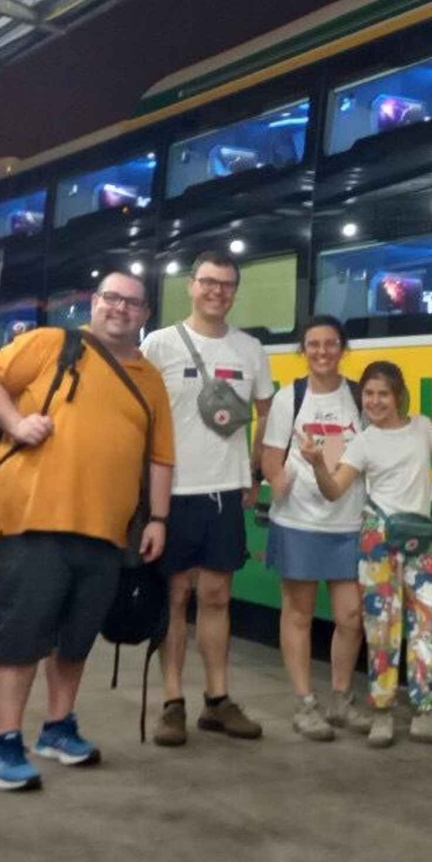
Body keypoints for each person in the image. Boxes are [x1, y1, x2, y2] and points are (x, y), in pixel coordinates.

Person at [0, 270, 174, 791]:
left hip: (107, 530)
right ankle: (4, 742)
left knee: (77, 638)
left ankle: (58, 727)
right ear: (94, 302)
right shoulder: (50, 343)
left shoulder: (150, 377)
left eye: (132, 303)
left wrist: (157, 518)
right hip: (34, 519)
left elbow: (160, 456)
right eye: (111, 298)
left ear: (145, 314)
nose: (120, 308)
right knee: (21, 635)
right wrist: (15, 423)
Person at [299, 361, 432, 749]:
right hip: (378, 539)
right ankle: (382, 713)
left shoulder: (422, 428)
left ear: (398, 396)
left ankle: (426, 716)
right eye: (368, 394)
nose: (375, 401)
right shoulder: (363, 442)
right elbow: (334, 490)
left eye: (383, 393)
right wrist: (317, 465)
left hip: (420, 541)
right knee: (382, 627)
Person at [142, 252, 273, 746]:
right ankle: (172, 702)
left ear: (235, 291)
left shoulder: (249, 348)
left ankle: (217, 700)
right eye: (209, 282)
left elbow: (267, 412)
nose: (218, 291)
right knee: (175, 596)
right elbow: (142, 414)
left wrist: (254, 471)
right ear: (191, 286)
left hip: (225, 493)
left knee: (217, 596)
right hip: (173, 493)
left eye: (227, 284)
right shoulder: (159, 344)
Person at [260, 316, 371, 740]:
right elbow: (271, 456)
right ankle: (305, 703)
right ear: (303, 350)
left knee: (351, 615)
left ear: (343, 348)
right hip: (299, 522)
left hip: (349, 522)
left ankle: (341, 699)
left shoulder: (359, 396)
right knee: (299, 614)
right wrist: (276, 480)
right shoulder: (289, 397)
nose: (322, 352)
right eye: (313, 345)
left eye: (330, 344)